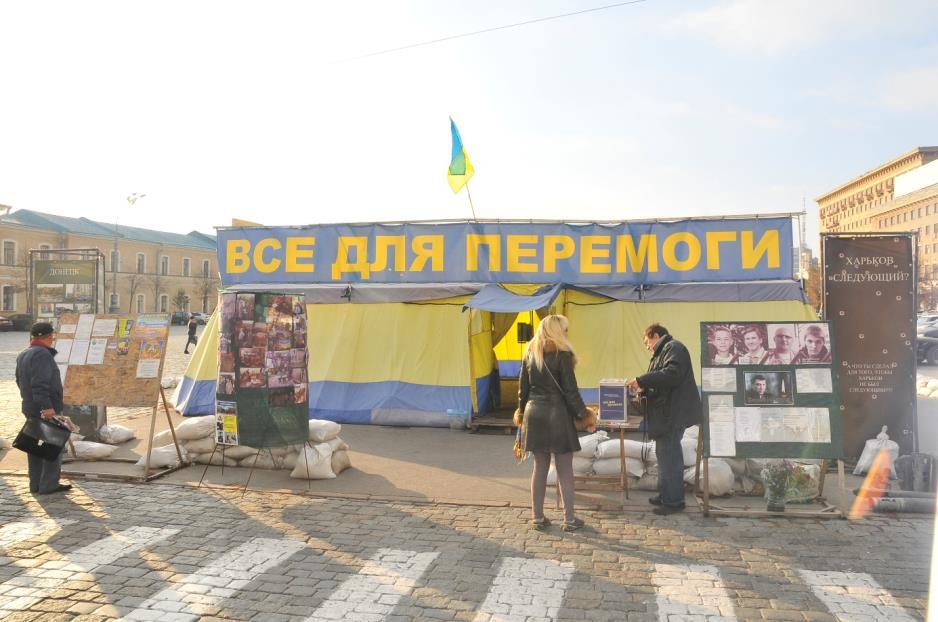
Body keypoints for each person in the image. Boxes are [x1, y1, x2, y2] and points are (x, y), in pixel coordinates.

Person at [517, 314, 594, 532]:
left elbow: (523, 390)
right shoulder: (563, 354)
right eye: (565, 329)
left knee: (539, 467)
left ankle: (537, 518)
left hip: (534, 414)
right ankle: (569, 520)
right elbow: (570, 392)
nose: (567, 333)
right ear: (557, 330)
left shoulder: (530, 353)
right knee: (564, 469)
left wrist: (521, 415)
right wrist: (584, 416)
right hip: (558, 415)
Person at [627, 323, 701, 515]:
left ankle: (674, 502)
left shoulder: (674, 348)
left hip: (672, 414)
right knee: (664, 456)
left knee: (670, 457)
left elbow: (672, 374)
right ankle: (665, 495)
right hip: (666, 414)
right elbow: (659, 380)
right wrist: (644, 388)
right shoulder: (663, 352)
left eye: (647, 342)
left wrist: (642, 380)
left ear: (655, 335)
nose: (647, 347)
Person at [14, 322, 72, 495]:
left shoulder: (24, 353)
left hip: (31, 406)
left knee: (34, 447)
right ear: (49, 337)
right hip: (44, 408)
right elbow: (40, 384)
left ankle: (36, 484)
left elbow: (19, 381)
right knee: (53, 445)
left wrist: (31, 401)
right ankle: (48, 484)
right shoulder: (42, 355)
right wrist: (47, 407)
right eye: (52, 336)